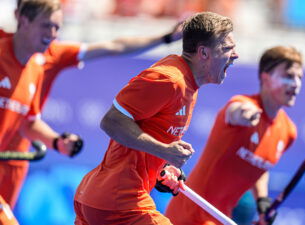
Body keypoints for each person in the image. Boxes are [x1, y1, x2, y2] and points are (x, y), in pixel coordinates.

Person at [0, 0, 183, 210]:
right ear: (21, 18)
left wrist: (57, 142)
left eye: (57, 27)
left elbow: (28, 122)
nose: (51, 33)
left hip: (15, 158)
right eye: (45, 25)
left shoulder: (37, 64)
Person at [74, 11, 239, 225]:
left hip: (101, 199)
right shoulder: (169, 79)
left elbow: (141, 139)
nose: (235, 55)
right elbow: (111, 121)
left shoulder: (189, 82)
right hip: (119, 203)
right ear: (203, 53)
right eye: (227, 48)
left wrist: (160, 169)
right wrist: (163, 151)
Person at [165, 46, 303, 225]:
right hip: (189, 213)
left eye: (300, 78)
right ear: (265, 78)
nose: (296, 84)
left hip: (221, 218)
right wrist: (244, 114)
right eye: (289, 76)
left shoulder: (288, 132)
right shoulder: (242, 104)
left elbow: (259, 165)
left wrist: (262, 201)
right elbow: (234, 111)